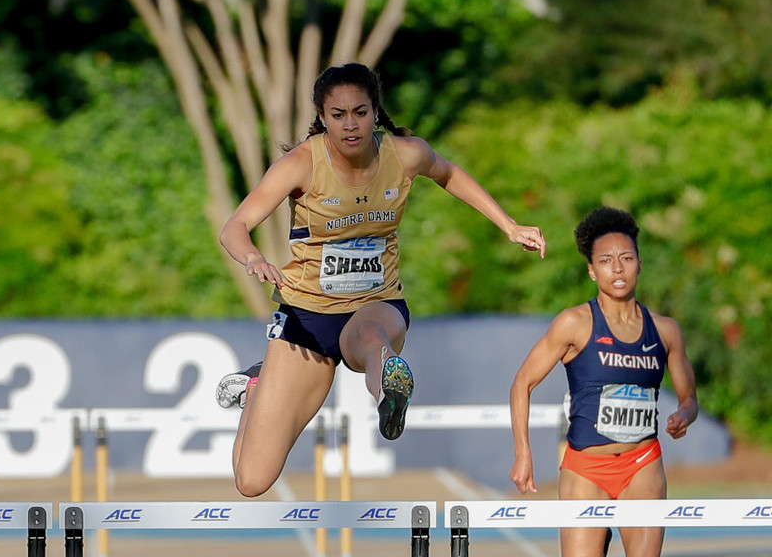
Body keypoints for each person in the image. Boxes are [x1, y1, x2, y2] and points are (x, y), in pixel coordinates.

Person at [218, 62, 547, 497]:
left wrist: (509, 225)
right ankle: (260, 385)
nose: (350, 125)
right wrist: (254, 257)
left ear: (376, 112)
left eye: (360, 112)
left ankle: (390, 387)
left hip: (377, 301)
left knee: (373, 340)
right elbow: (234, 227)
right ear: (322, 116)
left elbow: (449, 173)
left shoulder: (404, 153)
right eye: (338, 115)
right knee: (252, 479)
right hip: (307, 316)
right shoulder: (300, 164)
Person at [509, 206, 698, 557]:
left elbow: (689, 398)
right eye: (607, 260)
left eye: (626, 258)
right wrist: (523, 454)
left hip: (642, 464)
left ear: (640, 264)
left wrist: (683, 416)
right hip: (586, 469)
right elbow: (522, 383)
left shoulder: (666, 330)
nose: (618, 267)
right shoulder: (574, 324)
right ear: (592, 271)